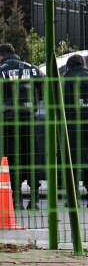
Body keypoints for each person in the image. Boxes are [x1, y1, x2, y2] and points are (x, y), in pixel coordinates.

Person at [0, 44, 43, 210]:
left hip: (9, 121)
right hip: (30, 119)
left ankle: (16, 199)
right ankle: (35, 198)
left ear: (1, 57)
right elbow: (46, 89)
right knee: (32, 157)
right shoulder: (34, 70)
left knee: (12, 157)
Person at [63, 55, 88, 206]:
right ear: (83, 65)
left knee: (70, 160)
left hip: (70, 125)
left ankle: (73, 197)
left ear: (68, 67)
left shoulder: (64, 81)